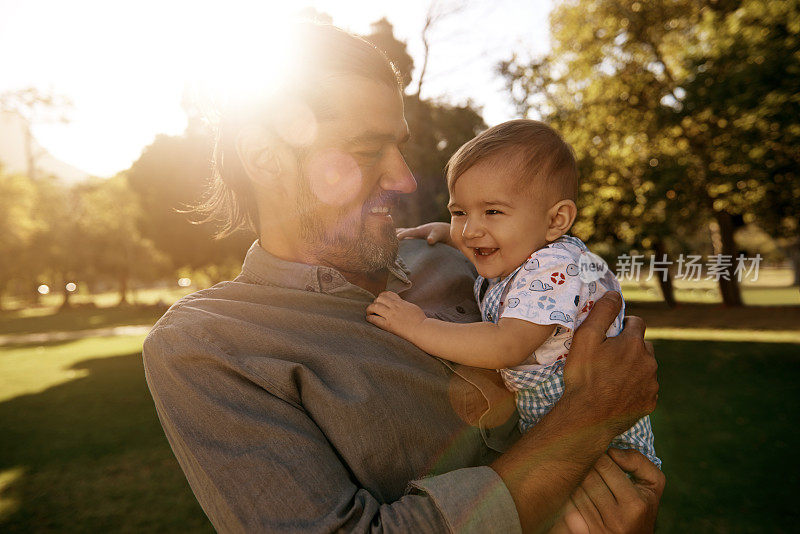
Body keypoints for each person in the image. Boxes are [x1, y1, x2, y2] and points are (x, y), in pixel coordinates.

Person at [142, 22, 663, 533]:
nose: (405, 178)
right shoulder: (207, 345)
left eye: (399, 147)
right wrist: (587, 419)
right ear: (265, 158)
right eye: (368, 151)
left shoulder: (458, 258)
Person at [366, 120, 660, 469]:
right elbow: (495, 248)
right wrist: (448, 234)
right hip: (560, 427)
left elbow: (506, 345)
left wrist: (417, 326)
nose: (472, 229)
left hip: (603, 448)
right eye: (460, 212)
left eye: (492, 211)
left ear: (556, 221)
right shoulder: (528, 253)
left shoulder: (556, 269)